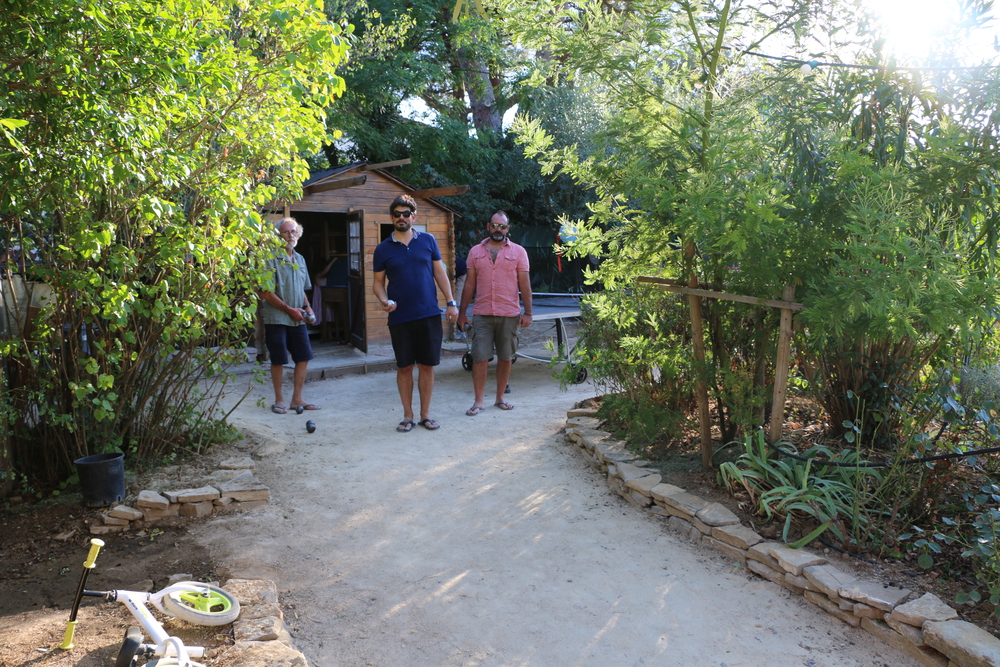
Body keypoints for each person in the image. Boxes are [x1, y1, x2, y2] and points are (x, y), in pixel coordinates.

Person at [372, 195, 458, 432]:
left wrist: (451, 302)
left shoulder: (428, 240)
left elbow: (440, 274)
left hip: (429, 313)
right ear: (391, 218)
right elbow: (378, 283)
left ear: (414, 217)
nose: (402, 217)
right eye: (397, 214)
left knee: (427, 365)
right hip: (400, 316)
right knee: (404, 367)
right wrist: (382, 300)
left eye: (406, 214)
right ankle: (407, 416)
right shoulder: (382, 249)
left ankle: (425, 415)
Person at [456, 211, 532, 415]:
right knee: (479, 357)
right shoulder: (475, 252)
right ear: (488, 226)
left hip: (509, 313)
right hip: (482, 313)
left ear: (508, 229)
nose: (498, 230)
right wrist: (462, 313)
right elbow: (469, 284)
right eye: (495, 225)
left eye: (503, 226)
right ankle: (478, 401)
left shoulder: (519, 252)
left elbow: (524, 284)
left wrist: (528, 313)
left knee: (506, 357)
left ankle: (500, 398)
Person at [258, 218, 320, 414]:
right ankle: (279, 400)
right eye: (285, 232)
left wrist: (307, 307)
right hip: (277, 318)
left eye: (293, 231)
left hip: (298, 317)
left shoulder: (300, 259)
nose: (290, 235)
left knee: (304, 357)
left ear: (298, 234)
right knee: (278, 359)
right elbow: (265, 292)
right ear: (278, 236)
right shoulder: (270, 258)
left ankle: (297, 399)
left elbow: (301, 289)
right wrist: (289, 309)